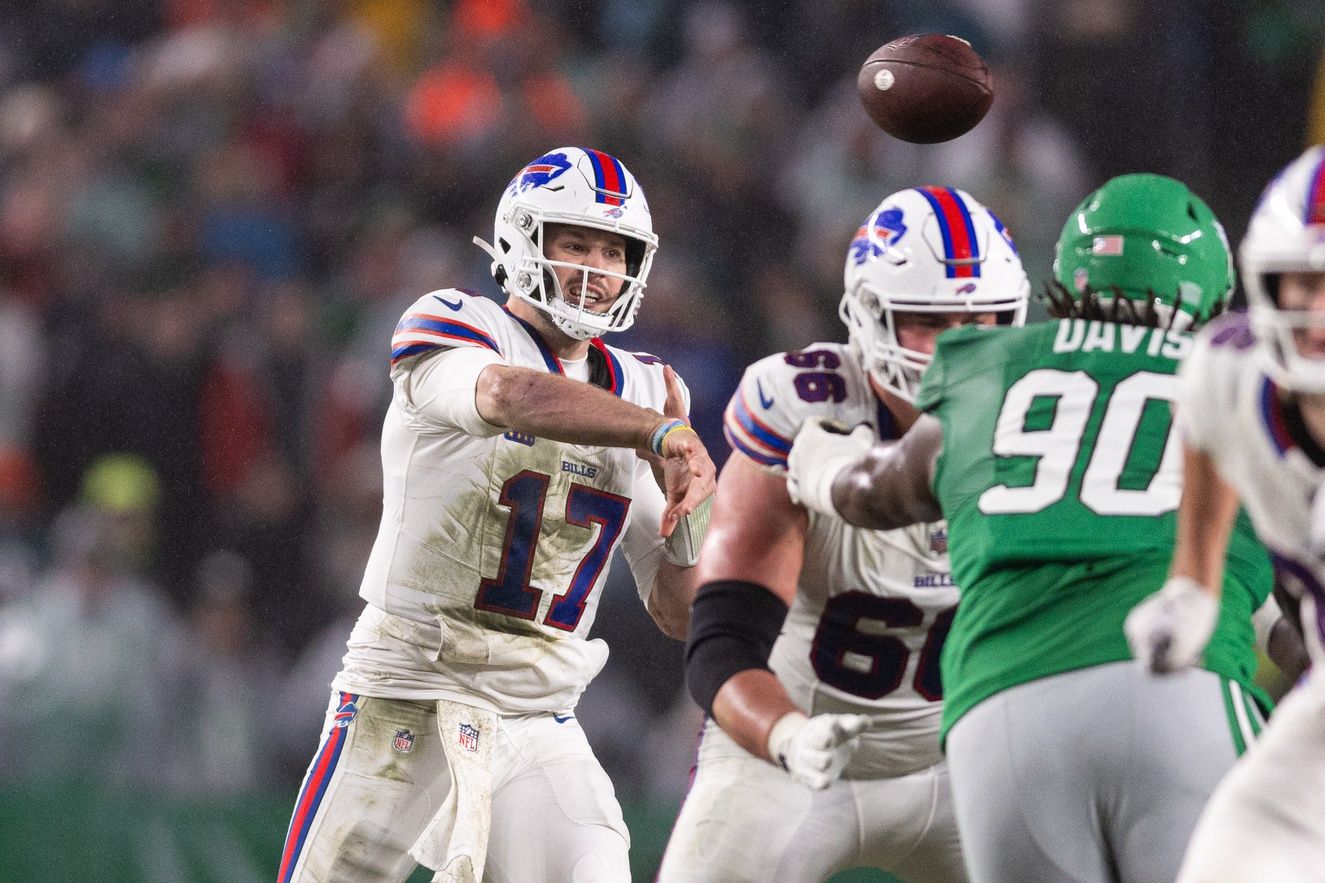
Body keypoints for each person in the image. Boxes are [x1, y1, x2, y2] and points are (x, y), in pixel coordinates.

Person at [784, 174, 1277, 883]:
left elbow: (875, 492)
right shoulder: (1241, 376)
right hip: (1180, 685)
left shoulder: (989, 364)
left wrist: (815, 460)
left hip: (1000, 714)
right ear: (1212, 295)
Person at [277, 147, 717, 883]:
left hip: (538, 712)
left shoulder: (645, 387)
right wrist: (657, 434)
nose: (594, 267)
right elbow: (507, 395)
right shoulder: (452, 319)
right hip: (409, 685)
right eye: (573, 242)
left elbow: (676, 612)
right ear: (521, 239)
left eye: (613, 250)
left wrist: (690, 511)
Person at [660, 187, 1029, 882]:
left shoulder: (1045, 419)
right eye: (931, 321)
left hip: (962, 765)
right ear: (869, 318)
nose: (966, 344)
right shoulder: (803, 411)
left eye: (986, 317)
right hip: (789, 758)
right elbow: (721, 647)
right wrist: (787, 735)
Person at [1124, 144, 1325, 883]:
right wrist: (1190, 595)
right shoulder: (1226, 374)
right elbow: (1205, 468)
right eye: (1303, 283)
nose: (1318, 310)